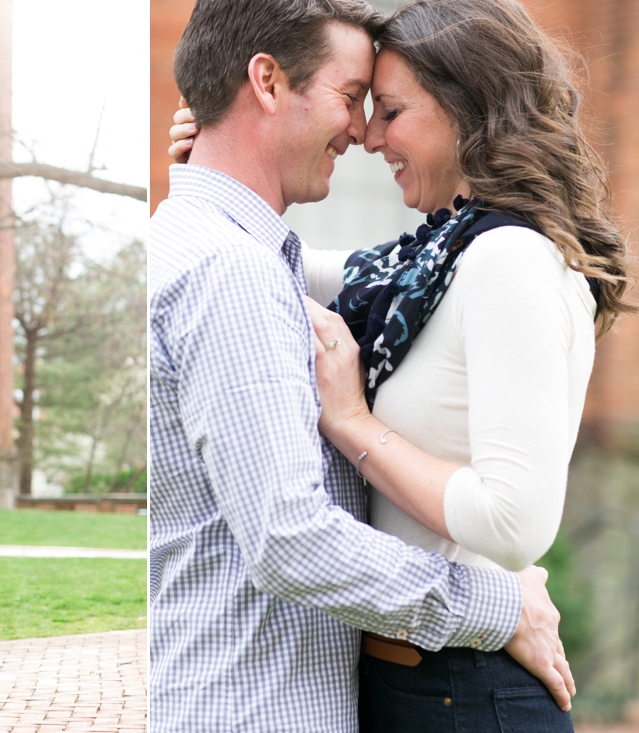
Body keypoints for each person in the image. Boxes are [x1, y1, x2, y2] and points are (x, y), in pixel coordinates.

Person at [164, 0, 634, 730]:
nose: (367, 135)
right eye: (359, 105)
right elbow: (274, 264)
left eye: (387, 110)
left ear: (463, 110)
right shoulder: (425, 265)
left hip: (469, 687)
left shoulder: (510, 259)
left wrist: (350, 420)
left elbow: (515, 522)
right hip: (411, 679)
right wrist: (207, 169)